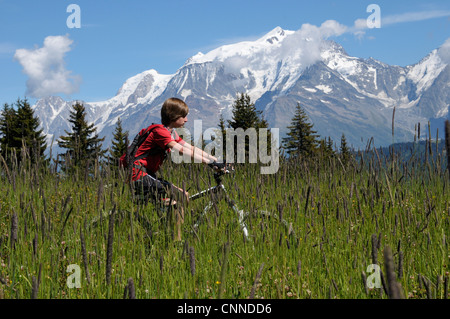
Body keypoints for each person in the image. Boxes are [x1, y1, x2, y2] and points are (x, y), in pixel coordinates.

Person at [119, 97, 225, 240]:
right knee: (177, 202)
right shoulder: (160, 132)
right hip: (138, 174)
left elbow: (190, 147)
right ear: (173, 117)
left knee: (183, 196)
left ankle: (169, 228)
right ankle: (175, 240)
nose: (186, 120)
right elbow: (180, 150)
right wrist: (209, 163)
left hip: (147, 174)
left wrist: (216, 160)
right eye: (183, 116)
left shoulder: (171, 132)